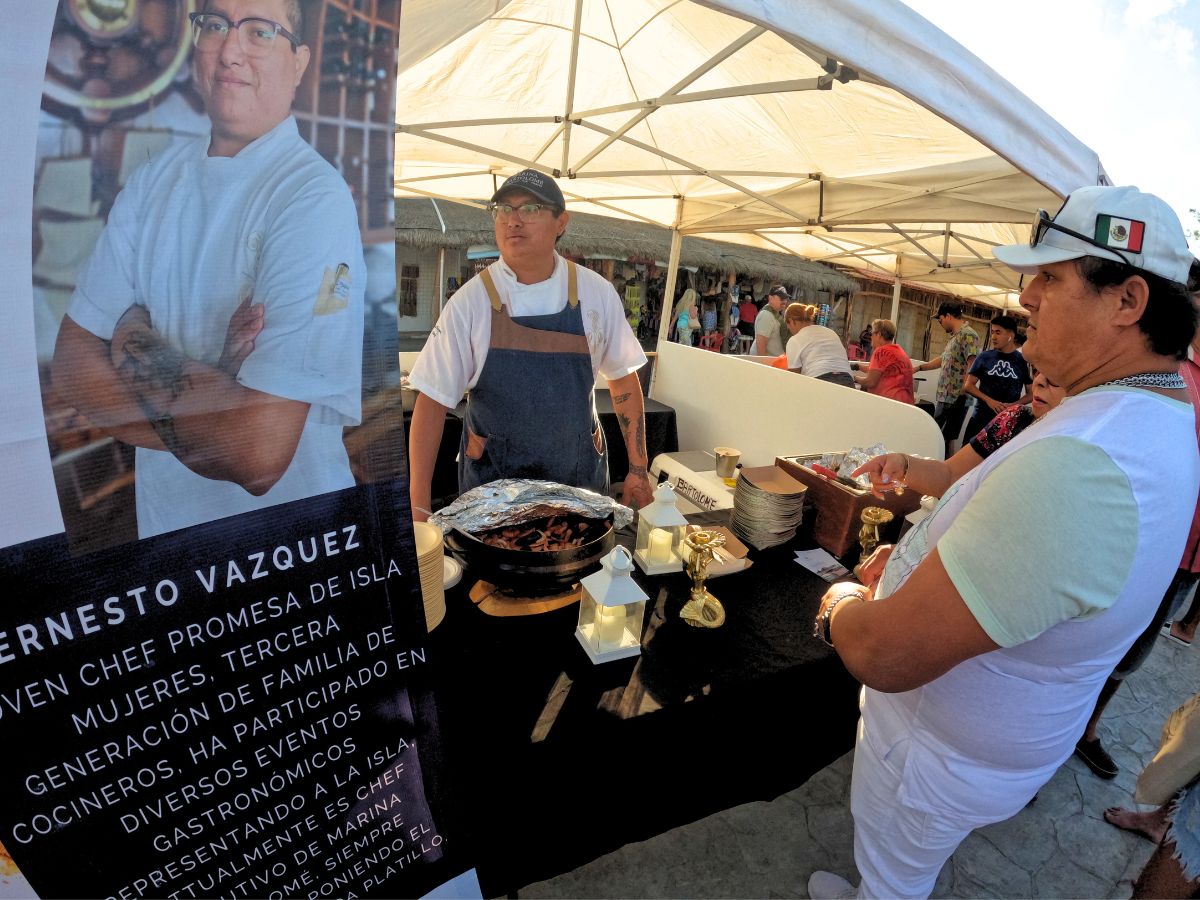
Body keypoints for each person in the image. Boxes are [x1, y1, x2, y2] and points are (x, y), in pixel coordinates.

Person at [807, 185, 1199, 900]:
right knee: (896, 860)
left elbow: (883, 653)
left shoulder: (1088, 455)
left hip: (939, 750)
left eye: (1050, 276)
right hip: (982, 741)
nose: (1026, 296)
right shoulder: (1141, 418)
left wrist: (840, 602)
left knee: (896, 872)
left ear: (1128, 301)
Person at [51, 0, 365, 539]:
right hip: (170, 546)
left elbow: (258, 453)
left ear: (299, 61)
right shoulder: (154, 182)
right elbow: (72, 366)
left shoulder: (311, 197)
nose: (230, 48)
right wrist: (216, 385)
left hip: (289, 554)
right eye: (215, 24)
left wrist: (130, 337)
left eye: (261, 32)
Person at [406, 169, 654, 522]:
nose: (513, 221)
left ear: (561, 222)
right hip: (492, 494)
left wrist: (639, 469)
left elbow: (623, 382)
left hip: (578, 483)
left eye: (531, 209)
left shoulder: (596, 294)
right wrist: (418, 507)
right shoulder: (470, 302)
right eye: (504, 209)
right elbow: (431, 403)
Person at [1073, 282, 1200, 778]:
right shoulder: (1167, 370)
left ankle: (1085, 730)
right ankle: (1051, 732)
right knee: (1089, 635)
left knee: (1132, 652)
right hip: (1146, 540)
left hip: (1189, 559)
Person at [914, 300, 980, 451]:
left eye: (940, 319)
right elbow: (943, 359)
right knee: (939, 435)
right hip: (945, 396)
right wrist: (919, 368)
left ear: (948, 316)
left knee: (944, 436)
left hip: (956, 397)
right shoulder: (954, 337)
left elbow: (973, 363)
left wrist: (963, 391)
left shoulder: (968, 335)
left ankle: (943, 468)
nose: (940, 322)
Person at [961, 314, 1032, 439]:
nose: (993, 337)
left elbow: (1031, 394)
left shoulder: (1022, 361)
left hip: (1006, 422)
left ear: (1011, 335)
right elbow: (968, 386)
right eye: (992, 332)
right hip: (980, 419)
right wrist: (990, 401)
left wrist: (1013, 405)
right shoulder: (985, 357)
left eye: (998, 332)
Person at [783, 303, 855, 387]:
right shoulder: (830, 332)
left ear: (791, 321)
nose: (789, 329)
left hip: (819, 381)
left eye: (787, 325)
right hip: (847, 380)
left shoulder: (795, 340)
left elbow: (794, 377)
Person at [852, 319, 914, 403]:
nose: (871, 337)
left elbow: (870, 382)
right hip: (906, 404)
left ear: (879, 334)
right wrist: (857, 367)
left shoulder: (881, 352)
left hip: (889, 403)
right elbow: (877, 370)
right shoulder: (899, 351)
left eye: (872, 333)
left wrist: (853, 378)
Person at [754, 285, 788, 356]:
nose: (784, 301)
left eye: (785, 298)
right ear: (770, 298)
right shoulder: (766, 315)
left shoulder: (774, 314)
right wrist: (762, 365)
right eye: (781, 298)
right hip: (766, 362)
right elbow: (761, 343)